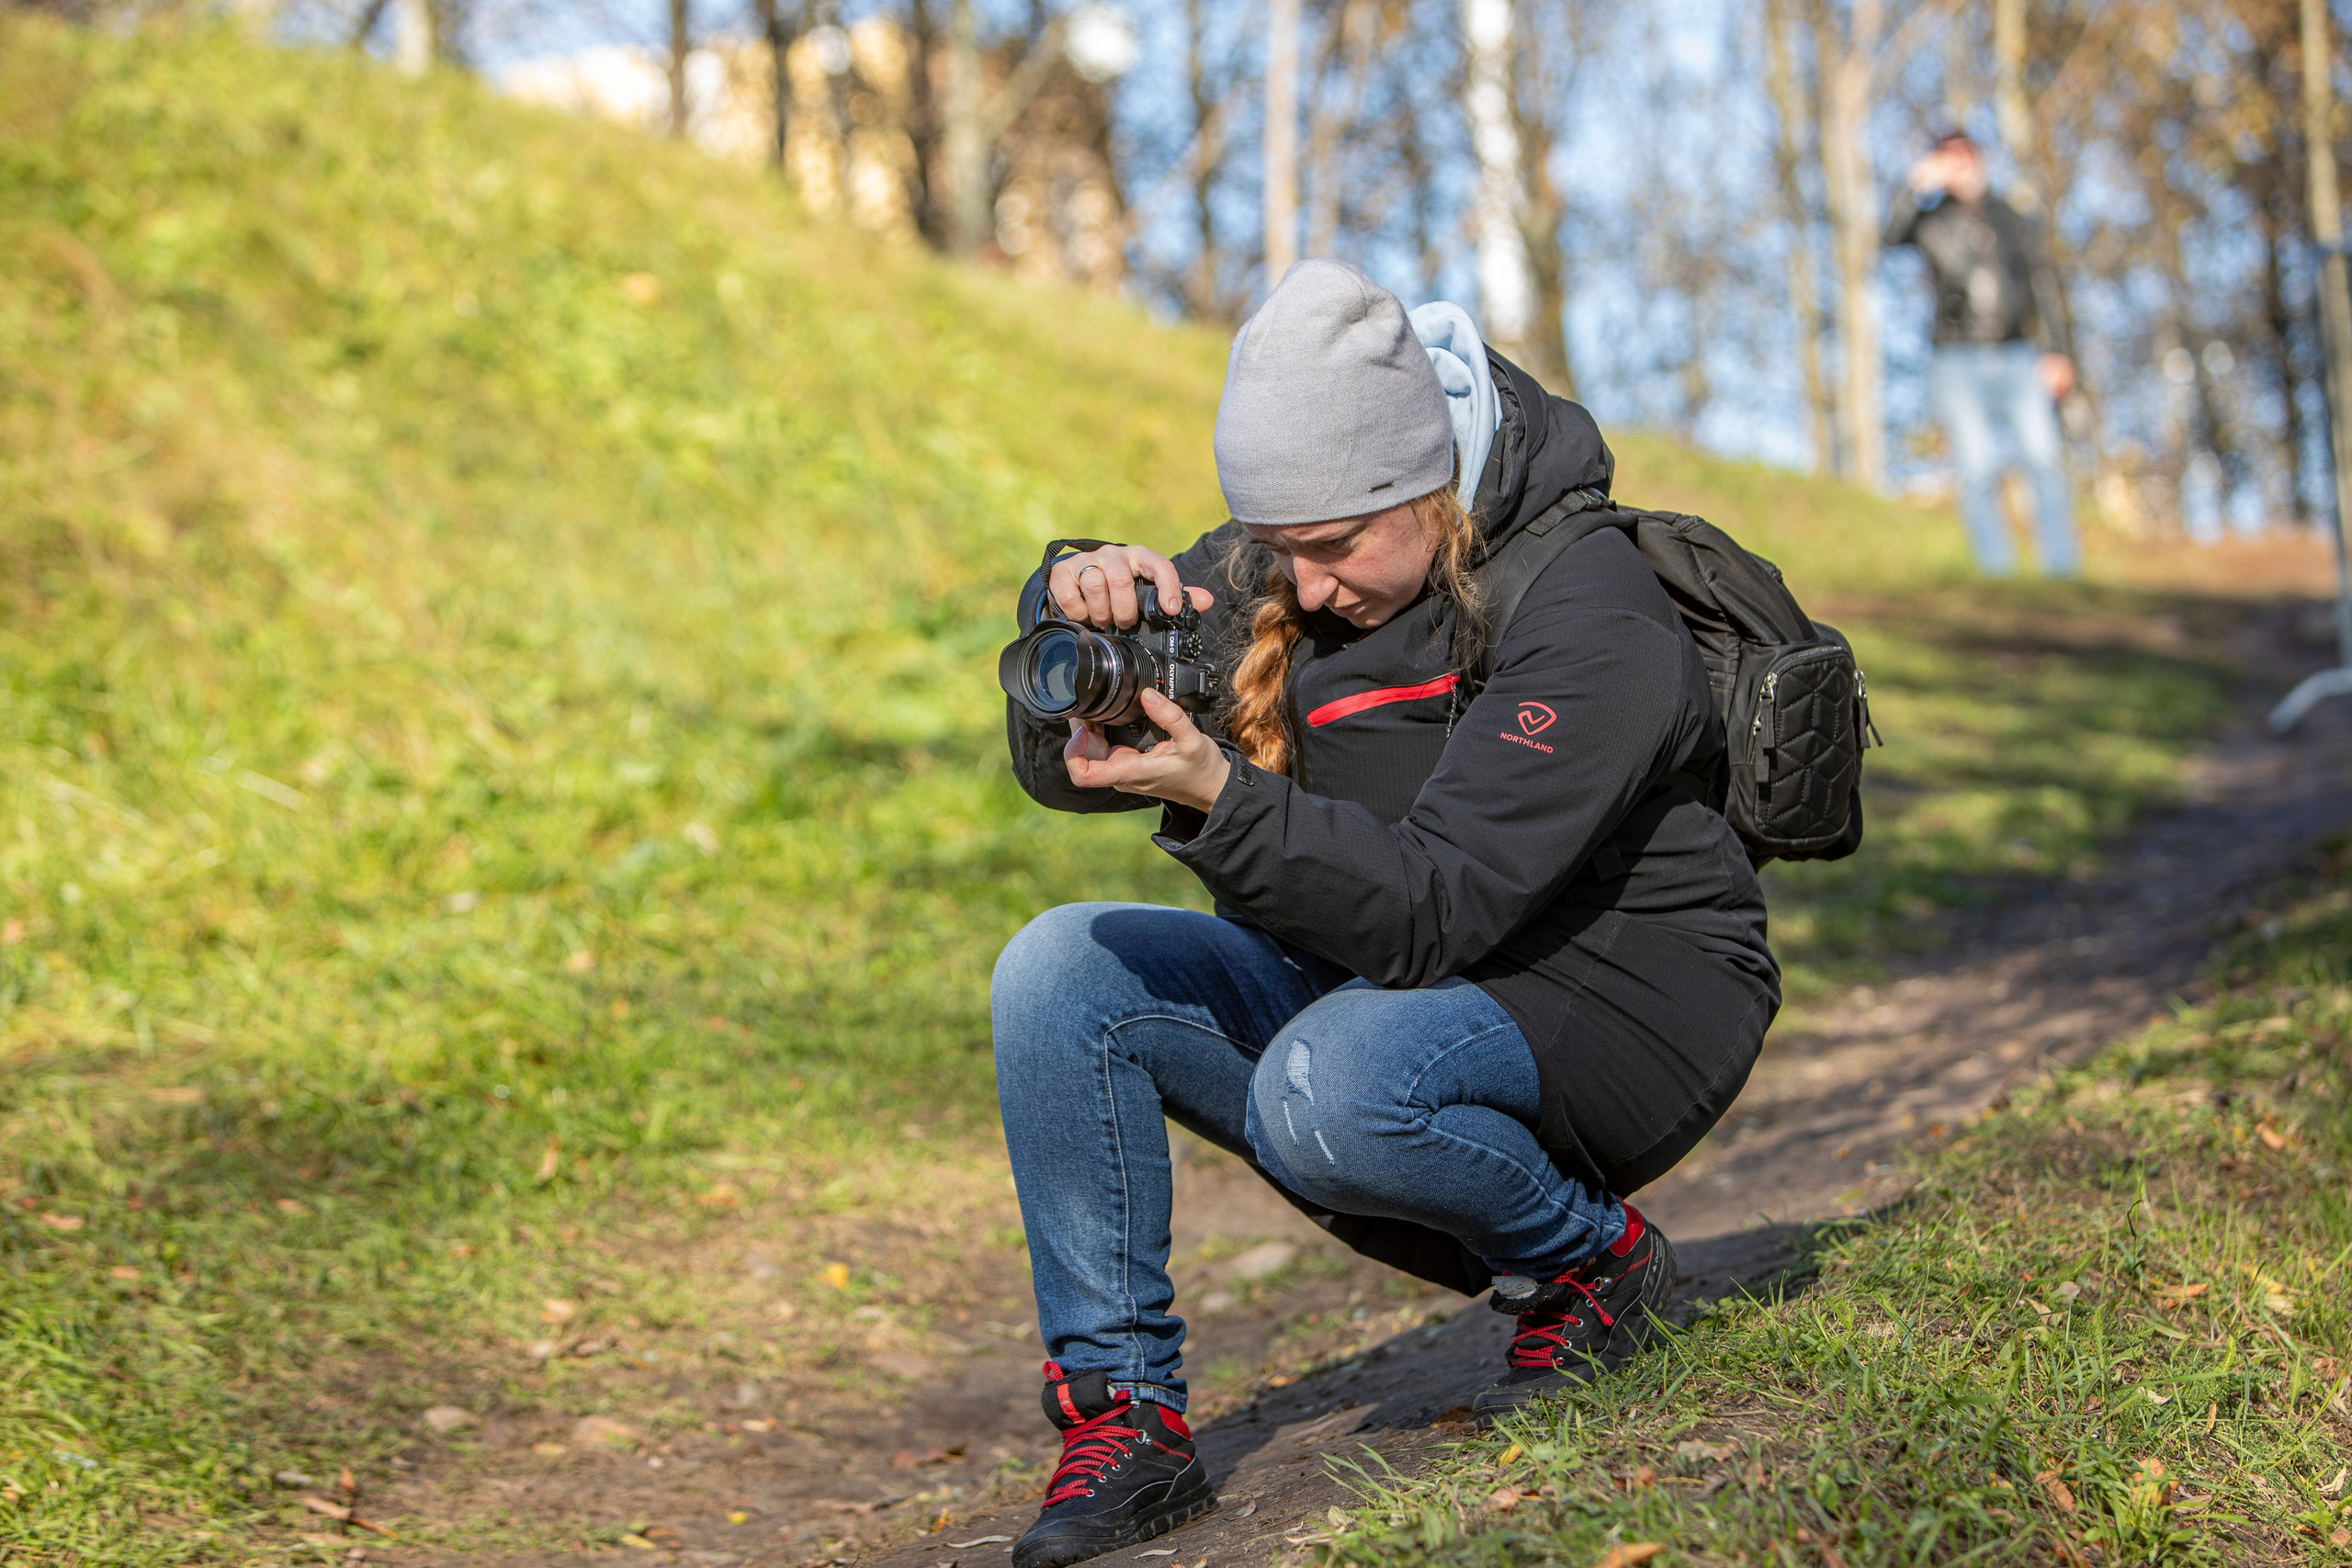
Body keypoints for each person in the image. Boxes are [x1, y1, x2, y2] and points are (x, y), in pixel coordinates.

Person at [991, 260, 1780, 1568]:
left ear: (1424, 490)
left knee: (1332, 1084)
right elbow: (1057, 765)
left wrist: (1217, 793)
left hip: (1625, 985)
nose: (1299, 588)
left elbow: (1435, 904)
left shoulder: (1590, 603)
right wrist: (1077, 622)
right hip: (1405, 974)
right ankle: (1123, 1417)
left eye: (1332, 548)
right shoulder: (1295, 549)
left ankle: (1590, 1261)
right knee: (1059, 970)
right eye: (1276, 548)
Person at [1884, 129, 2081, 578]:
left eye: (1963, 157)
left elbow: (2044, 284)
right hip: (1956, 358)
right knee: (1976, 468)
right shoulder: (1929, 219)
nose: (1956, 166)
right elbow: (1889, 237)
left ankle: (2063, 571)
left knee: (2042, 460)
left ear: (1978, 160)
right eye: (1946, 158)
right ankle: (1997, 574)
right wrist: (1913, 187)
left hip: (2017, 352)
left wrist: (2058, 351)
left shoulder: (2011, 216)